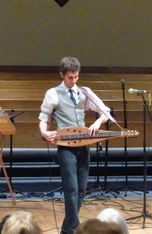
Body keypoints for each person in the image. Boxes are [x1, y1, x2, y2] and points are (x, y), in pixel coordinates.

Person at [39, 56, 113, 234]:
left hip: (84, 144)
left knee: (81, 188)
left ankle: (67, 229)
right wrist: (43, 131)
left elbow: (106, 111)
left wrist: (97, 123)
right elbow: (44, 118)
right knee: (71, 188)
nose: (74, 80)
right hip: (66, 146)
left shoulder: (84, 92)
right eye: (70, 77)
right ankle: (73, 228)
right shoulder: (53, 93)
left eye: (76, 77)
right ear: (62, 75)